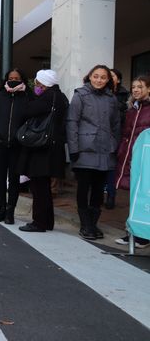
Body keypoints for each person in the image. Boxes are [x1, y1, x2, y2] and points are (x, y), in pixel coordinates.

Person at [67, 65, 120, 239]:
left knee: (98, 189)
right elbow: (72, 122)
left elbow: (116, 125)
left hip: (105, 150)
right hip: (84, 149)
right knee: (84, 187)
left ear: (108, 80)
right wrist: (73, 149)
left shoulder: (111, 98)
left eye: (103, 77)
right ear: (89, 76)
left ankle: (93, 223)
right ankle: (85, 224)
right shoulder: (80, 95)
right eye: (95, 76)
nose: (99, 80)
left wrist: (115, 144)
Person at [17, 69, 69, 232]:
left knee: (39, 186)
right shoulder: (61, 97)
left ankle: (39, 222)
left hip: (42, 148)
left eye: (38, 83)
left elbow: (27, 111)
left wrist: (26, 95)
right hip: (54, 146)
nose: (36, 86)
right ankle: (48, 221)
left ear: (45, 84)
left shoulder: (47, 98)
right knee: (44, 186)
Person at [0, 69, 29, 224]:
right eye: (11, 78)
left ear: (21, 79)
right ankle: (1, 210)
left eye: (17, 78)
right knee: (0, 177)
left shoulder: (26, 97)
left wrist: (23, 135)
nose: (13, 80)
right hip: (0, 143)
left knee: (14, 179)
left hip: (18, 145)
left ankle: (10, 211)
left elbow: (31, 118)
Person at [114, 75, 150, 248]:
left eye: (140, 86)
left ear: (149, 89)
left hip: (146, 158)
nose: (136, 90)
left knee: (144, 197)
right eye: (134, 87)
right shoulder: (132, 109)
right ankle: (133, 232)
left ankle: (143, 236)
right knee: (134, 196)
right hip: (131, 157)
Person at [103, 68, 130, 209]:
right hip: (101, 137)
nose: (109, 78)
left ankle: (111, 195)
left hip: (116, 136)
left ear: (118, 79)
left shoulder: (124, 96)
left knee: (112, 167)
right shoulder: (102, 93)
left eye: (112, 76)